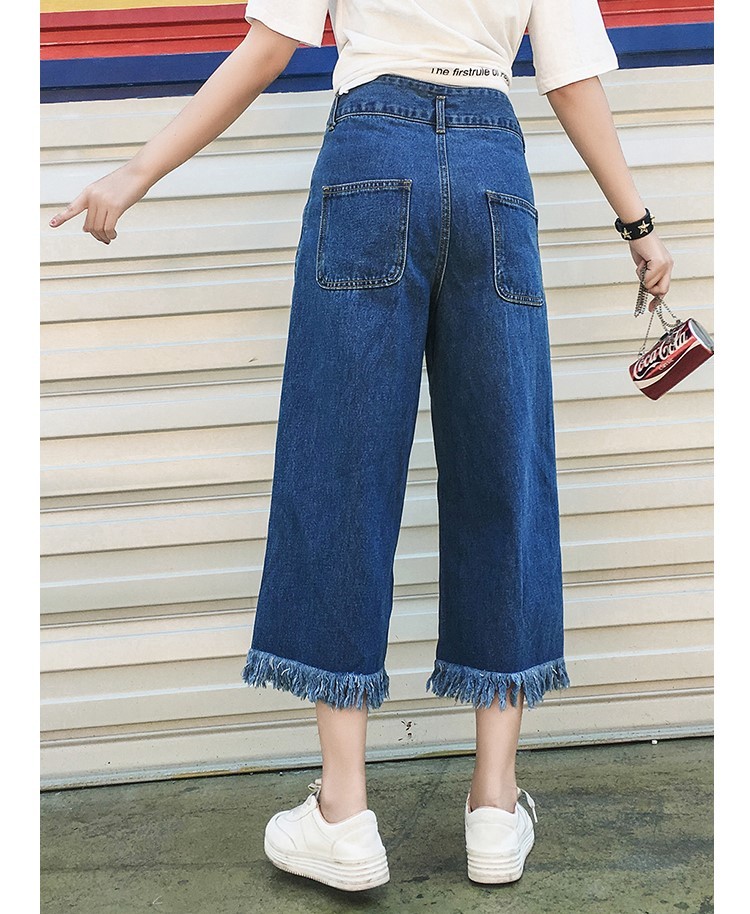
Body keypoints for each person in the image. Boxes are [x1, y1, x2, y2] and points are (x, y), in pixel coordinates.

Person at [49, 0, 674, 894]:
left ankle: (343, 814)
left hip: (370, 159)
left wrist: (135, 171)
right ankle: (495, 808)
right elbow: (571, 81)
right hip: (492, 170)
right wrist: (638, 226)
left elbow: (268, 51)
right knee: (506, 474)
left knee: (340, 472)